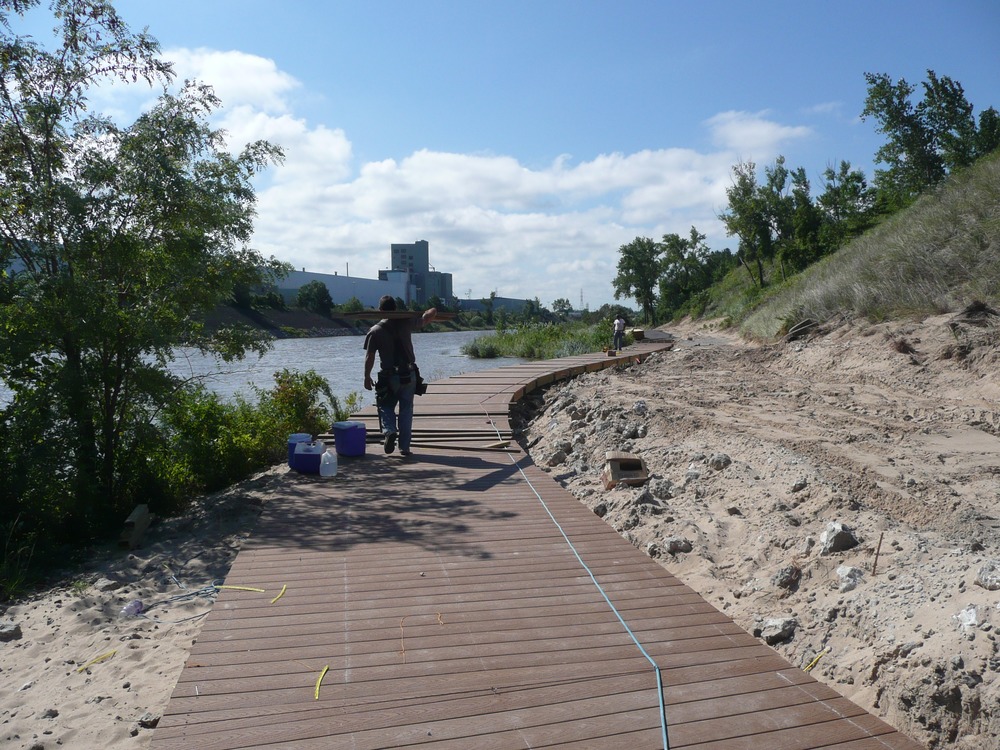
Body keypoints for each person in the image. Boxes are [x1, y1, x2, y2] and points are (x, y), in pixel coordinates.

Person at [363, 296, 437, 456]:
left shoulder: (374, 331)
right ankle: (404, 447)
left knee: (385, 406)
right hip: (409, 374)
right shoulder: (407, 322)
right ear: (396, 309)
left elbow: (370, 356)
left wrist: (366, 376)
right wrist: (432, 310)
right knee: (406, 410)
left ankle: (389, 431)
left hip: (389, 376)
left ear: (380, 311)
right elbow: (428, 317)